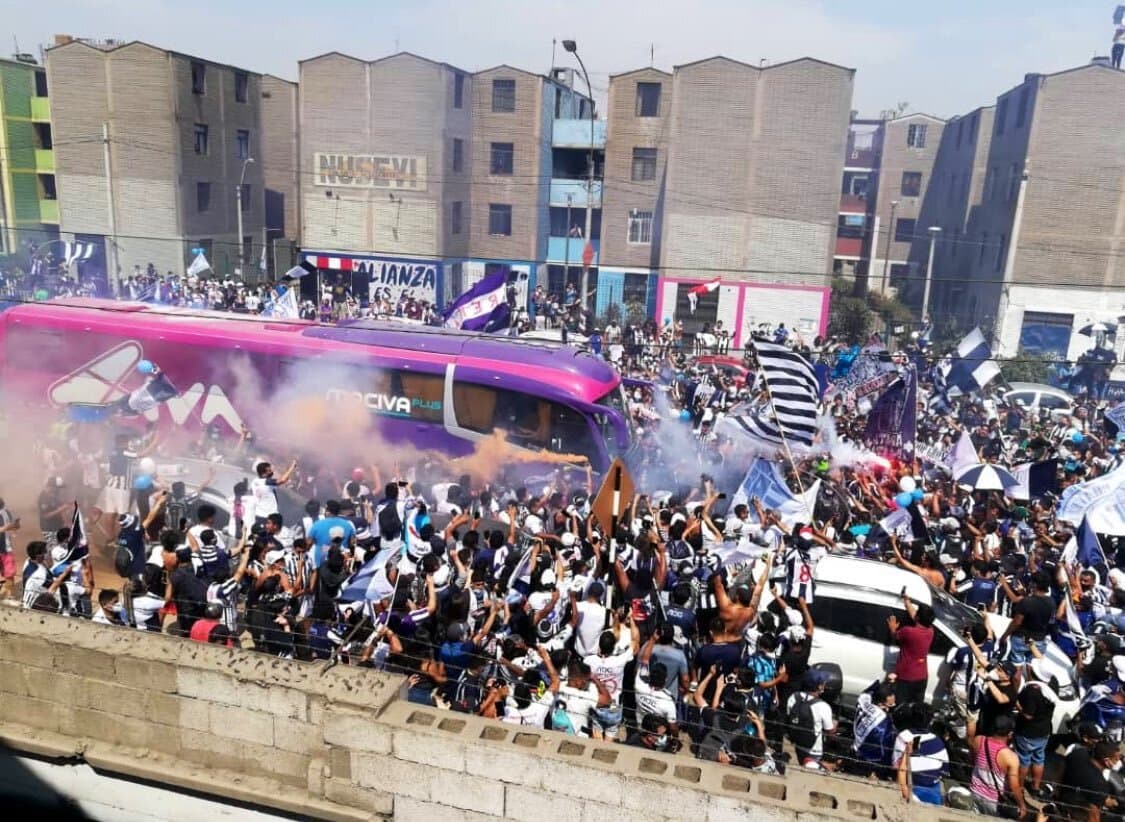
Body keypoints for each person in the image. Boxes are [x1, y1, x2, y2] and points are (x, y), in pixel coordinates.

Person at [967, 715, 1026, 819]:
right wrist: (1022, 805)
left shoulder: (978, 740)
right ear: (1010, 734)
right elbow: (1014, 786)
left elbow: (972, 760)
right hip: (994, 801)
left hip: (974, 792)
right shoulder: (1010, 757)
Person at [886, 593, 935, 706]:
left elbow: (895, 637)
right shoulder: (930, 631)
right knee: (916, 708)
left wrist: (892, 629)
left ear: (918, 617)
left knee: (901, 708)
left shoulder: (908, 631)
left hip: (905, 677)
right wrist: (907, 602)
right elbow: (915, 617)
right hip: (921, 677)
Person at [1059, 738, 1120, 821]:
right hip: (1074, 808)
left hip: (1065, 789)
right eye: (1116, 760)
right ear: (1106, 761)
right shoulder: (1099, 784)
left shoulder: (1079, 752)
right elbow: (1094, 816)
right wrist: (1112, 802)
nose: (1118, 762)